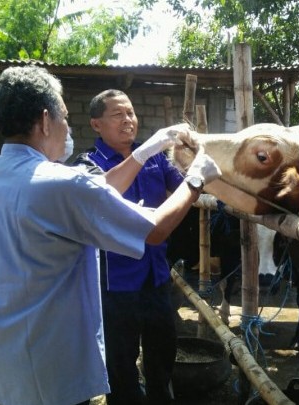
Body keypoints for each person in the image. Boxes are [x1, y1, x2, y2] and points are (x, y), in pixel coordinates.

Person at [0, 66, 220, 405]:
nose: (67, 127)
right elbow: (154, 229)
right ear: (46, 119)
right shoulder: (61, 183)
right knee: (124, 369)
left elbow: (95, 194)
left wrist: (142, 152)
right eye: (65, 117)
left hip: (4, 371)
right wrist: (196, 181)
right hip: (54, 374)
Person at [73, 89, 191, 405]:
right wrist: (146, 152)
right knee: (121, 364)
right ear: (96, 124)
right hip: (116, 284)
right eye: (118, 114)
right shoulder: (88, 164)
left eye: (131, 113)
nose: (128, 120)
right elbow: (99, 197)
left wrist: (195, 160)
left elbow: (183, 186)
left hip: (155, 276)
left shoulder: (155, 158)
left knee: (163, 353)